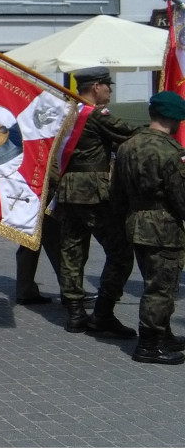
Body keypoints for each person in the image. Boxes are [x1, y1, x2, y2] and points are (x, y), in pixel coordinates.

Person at [56, 66, 137, 337]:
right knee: (121, 253)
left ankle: (76, 314)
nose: (110, 91)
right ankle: (102, 314)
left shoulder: (71, 112)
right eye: (108, 86)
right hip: (92, 191)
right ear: (96, 87)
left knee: (72, 250)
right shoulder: (96, 115)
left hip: (68, 190)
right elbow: (132, 133)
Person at [111, 91, 185, 365]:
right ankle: (150, 345)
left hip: (136, 223)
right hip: (163, 228)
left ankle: (163, 334)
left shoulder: (127, 146)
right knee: (161, 288)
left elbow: (115, 193)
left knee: (154, 282)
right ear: (175, 119)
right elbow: (181, 199)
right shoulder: (171, 151)